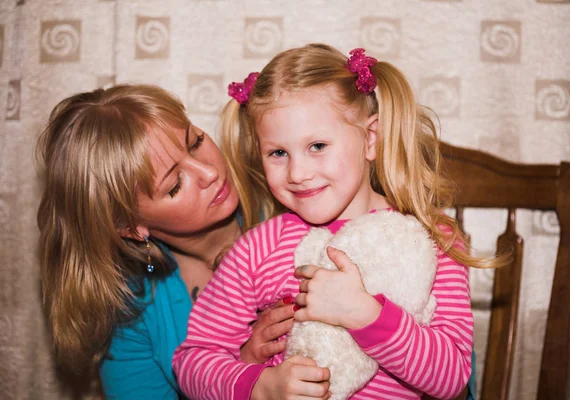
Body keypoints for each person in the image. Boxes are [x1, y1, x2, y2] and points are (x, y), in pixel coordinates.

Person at [173, 43, 502, 399]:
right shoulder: (258, 247)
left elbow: (452, 379)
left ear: (370, 139)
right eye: (278, 153)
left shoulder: (434, 240)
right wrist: (260, 386)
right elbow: (193, 360)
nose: (298, 173)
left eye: (317, 146)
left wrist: (366, 315)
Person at [36, 84, 297, 399]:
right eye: (175, 185)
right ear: (131, 226)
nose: (209, 172)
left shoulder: (294, 198)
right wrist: (242, 372)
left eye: (196, 142)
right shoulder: (131, 314)